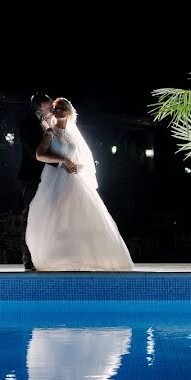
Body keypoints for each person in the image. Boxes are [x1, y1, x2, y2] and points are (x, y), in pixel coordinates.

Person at [25, 98, 134, 271]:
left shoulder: (72, 134)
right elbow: (40, 155)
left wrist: (76, 165)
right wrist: (63, 160)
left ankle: (79, 257)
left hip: (72, 178)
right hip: (55, 178)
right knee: (54, 216)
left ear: (68, 112)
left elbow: (76, 157)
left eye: (63, 108)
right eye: (57, 108)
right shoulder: (50, 133)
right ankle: (51, 257)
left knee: (77, 215)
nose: (59, 111)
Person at [17, 92, 54, 270]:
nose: (52, 107)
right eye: (48, 104)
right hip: (32, 176)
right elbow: (34, 152)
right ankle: (28, 258)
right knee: (30, 216)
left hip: (50, 176)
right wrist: (60, 163)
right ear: (40, 106)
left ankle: (46, 256)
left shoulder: (50, 121)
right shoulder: (27, 123)